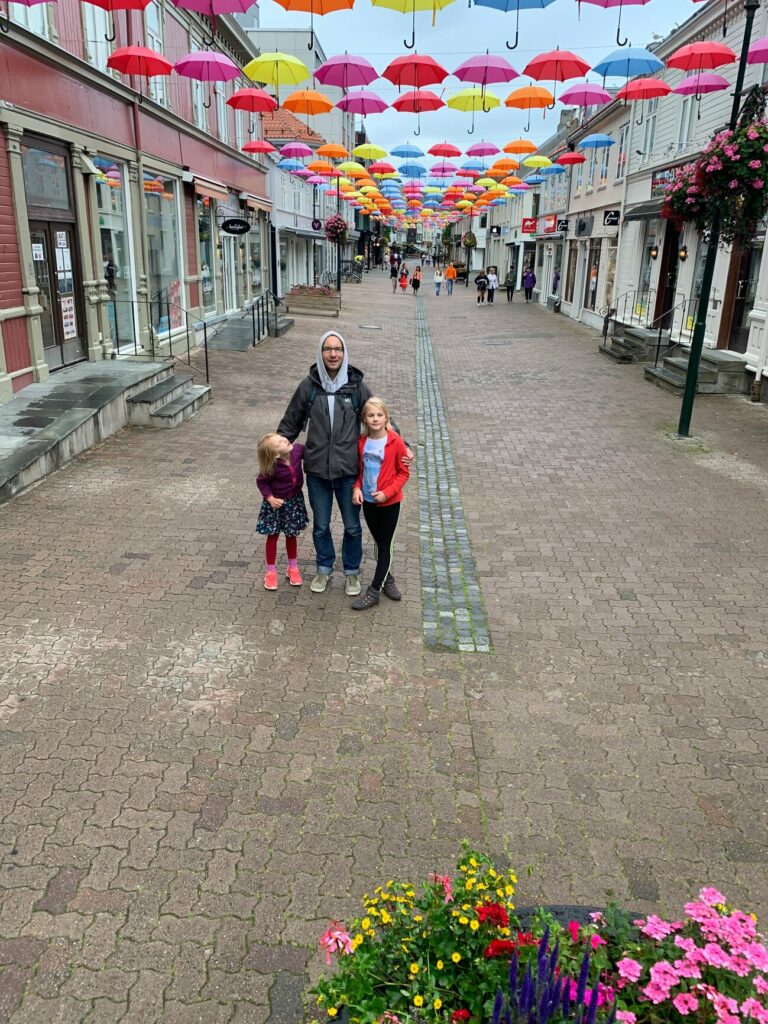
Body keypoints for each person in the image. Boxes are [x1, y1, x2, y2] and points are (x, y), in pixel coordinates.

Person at [277, 332, 412, 596]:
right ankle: (324, 569)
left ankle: (352, 572)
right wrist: (274, 450)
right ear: (321, 352)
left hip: (349, 471)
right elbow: (290, 423)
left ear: (344, 352)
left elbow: (380, 418)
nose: (333, 354)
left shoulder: (356, 387)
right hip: (317, 471)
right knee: (321, 526)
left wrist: (403, 444)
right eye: (327, 349)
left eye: (338, 349)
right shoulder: (308, 387)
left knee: (352, 527)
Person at [351, 398, 410, 611]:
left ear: (386, 417)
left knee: (385, 545)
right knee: (379, 543)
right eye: (371, 415)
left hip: (390, 503)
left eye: (379, 415)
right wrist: (357, 488)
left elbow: (403, 473)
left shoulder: (395, 442)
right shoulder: (361, 442)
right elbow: (359, 471)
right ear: (364, 419)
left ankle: (374, 590)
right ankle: (388, 578)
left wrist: (387, 493)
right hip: (368, 502)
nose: (375, 419)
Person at [256, 433, 309, 591]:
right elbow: (261, 482)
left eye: (282, 437)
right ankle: (271, 572)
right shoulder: (272, 467)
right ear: (276, 455)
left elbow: (313, 450)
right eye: (279, 442)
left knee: (291, 535)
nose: (285, 439)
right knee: (272, 536)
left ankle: (292, 567)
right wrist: (270, 498)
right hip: (276, 505)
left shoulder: (297, 450)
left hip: (293, 502)